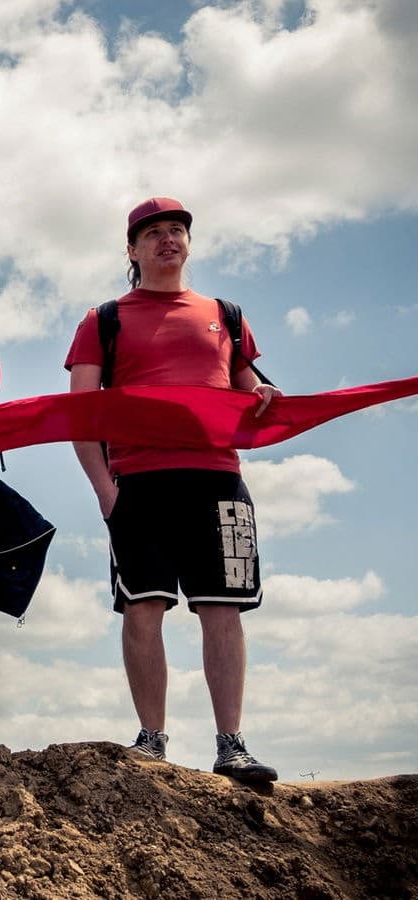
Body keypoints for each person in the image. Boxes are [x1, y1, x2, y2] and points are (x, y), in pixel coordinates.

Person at [65, 197, 281, 783]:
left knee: (223, 609)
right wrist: (105, 492)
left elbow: (250, 388)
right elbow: (78, 414)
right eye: (154, 233)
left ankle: (231, 745)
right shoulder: (103, 320)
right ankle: (152, 741)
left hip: (220, 479)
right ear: (132, 250)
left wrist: (263, 393)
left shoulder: (226, 315)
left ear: (188, 243)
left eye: (177, 231)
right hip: (139, 483)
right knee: (143, 605)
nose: (167, 239)